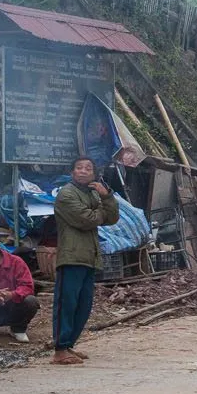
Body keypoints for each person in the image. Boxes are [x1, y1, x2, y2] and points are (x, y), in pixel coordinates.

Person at [51, 156, 120, 365]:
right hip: (71, 257)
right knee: (66, 304)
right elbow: (86, 220)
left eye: (88, 168)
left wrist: (106, 196)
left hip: (90, 257)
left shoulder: (94, 193)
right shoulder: (66, 194)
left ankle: (69, 345)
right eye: (79, 167)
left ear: (94, 174)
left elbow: (113, 218)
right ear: (72, 172)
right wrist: (100, 210)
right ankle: (60, 349)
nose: (83, 171)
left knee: (83, 306)